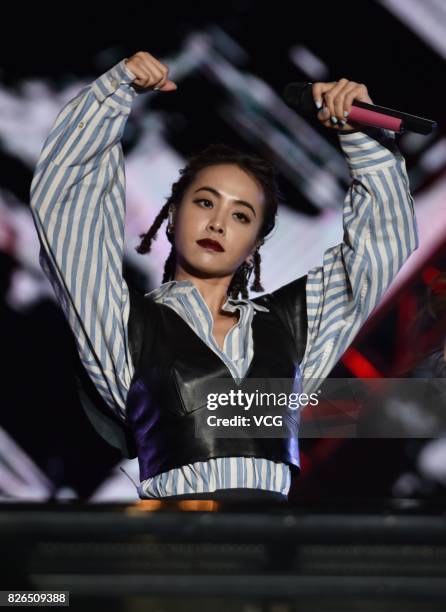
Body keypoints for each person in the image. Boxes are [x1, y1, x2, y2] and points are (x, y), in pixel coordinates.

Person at [29, 50, 418, 502]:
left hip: (270, 557)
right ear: (171, 217)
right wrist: (110, 96)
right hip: (178, 553)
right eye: (205, 202)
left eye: (241, 215)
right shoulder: (124, 328)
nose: (217, 224)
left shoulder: (291, 330)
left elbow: (380, 248)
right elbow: (65, 212)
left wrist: (360, 137)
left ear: (255, 244)